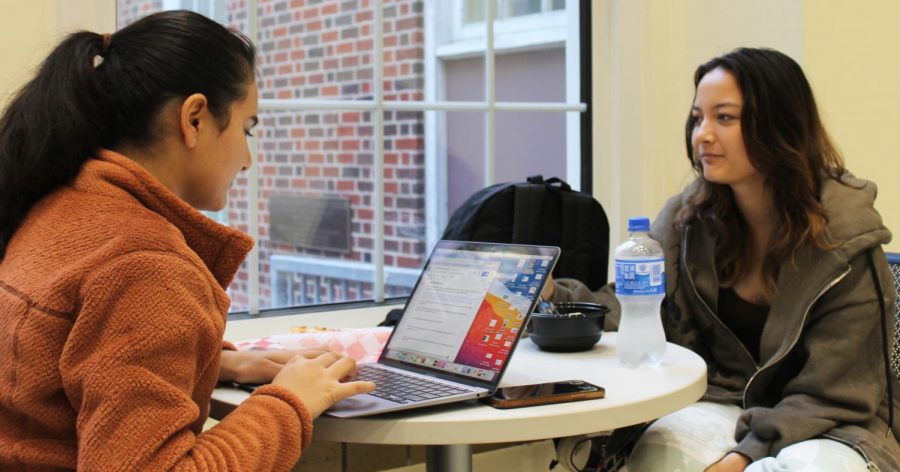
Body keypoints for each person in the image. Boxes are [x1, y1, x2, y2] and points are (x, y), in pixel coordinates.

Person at [0, 10, 374, 471]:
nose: (247, 159)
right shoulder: (145, 263)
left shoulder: (62, 208)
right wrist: (288, 402)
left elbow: (67, 368)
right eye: (246, 128)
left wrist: (217, 364)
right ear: (194, 118)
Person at [542, 48, 899, 471]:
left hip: (832, 423)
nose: (702, 135)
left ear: (780, 126)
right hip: (724, 401)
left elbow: (836, 394)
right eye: (698, 117)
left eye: (724, 118)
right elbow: (635, 306)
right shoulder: (686, 219)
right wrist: (549, 293)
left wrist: (743, 456)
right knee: (661, 457)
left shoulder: (847, 241)